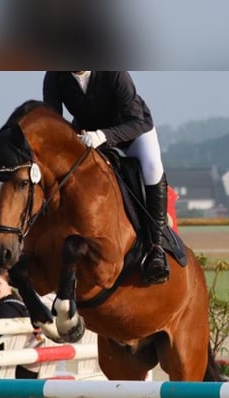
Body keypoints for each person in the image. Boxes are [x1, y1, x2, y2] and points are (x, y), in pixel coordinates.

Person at [42, 71, 170, 284]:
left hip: (133, 132)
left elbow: (135, 120)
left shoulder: (114, 73)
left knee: (152, 168)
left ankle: (156, 249)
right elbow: (53, 120)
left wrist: (103, 135)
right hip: (88, 135)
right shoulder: (55, 76)